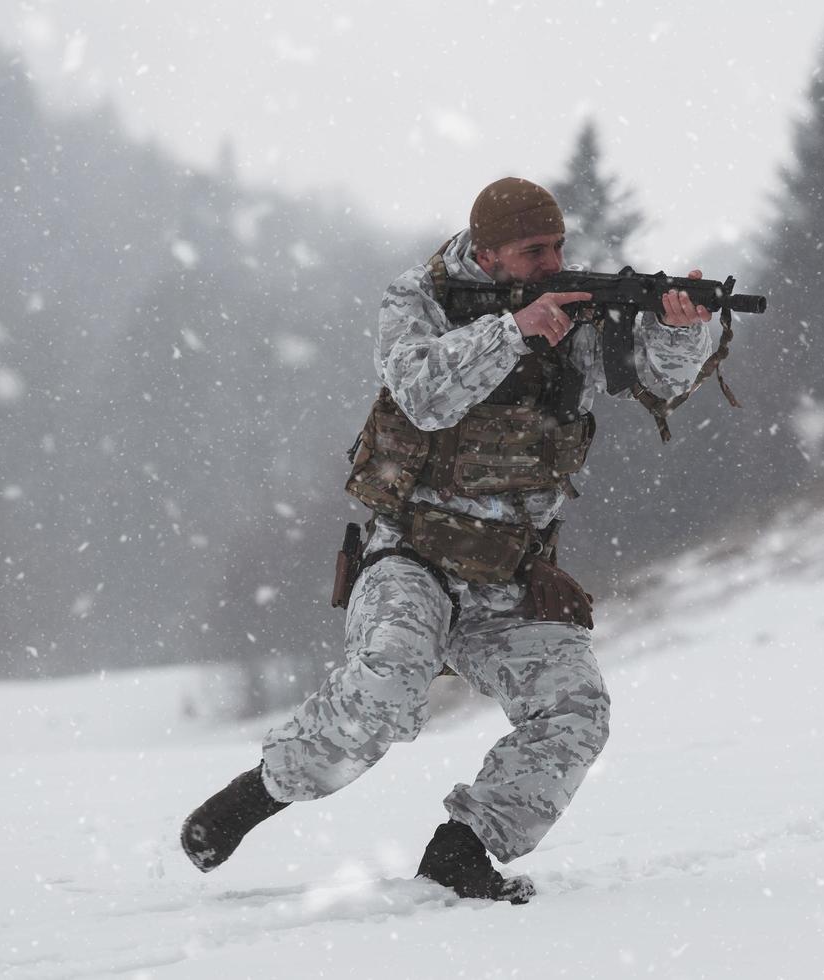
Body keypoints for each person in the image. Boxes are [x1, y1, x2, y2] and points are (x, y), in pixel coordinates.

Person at [180, 177, 717, 903]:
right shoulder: (419, 298)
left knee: (574, 712)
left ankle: (461, 853)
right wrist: (514, 329)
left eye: (559, 245)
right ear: (488, 252)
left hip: (512, 573)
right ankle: (258, 793)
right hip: (412, 556)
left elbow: (656, 381)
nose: (552, 260)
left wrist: (681, 329)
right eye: (533, 251)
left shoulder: (578, 312)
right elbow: (420, 394)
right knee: (386, 695)